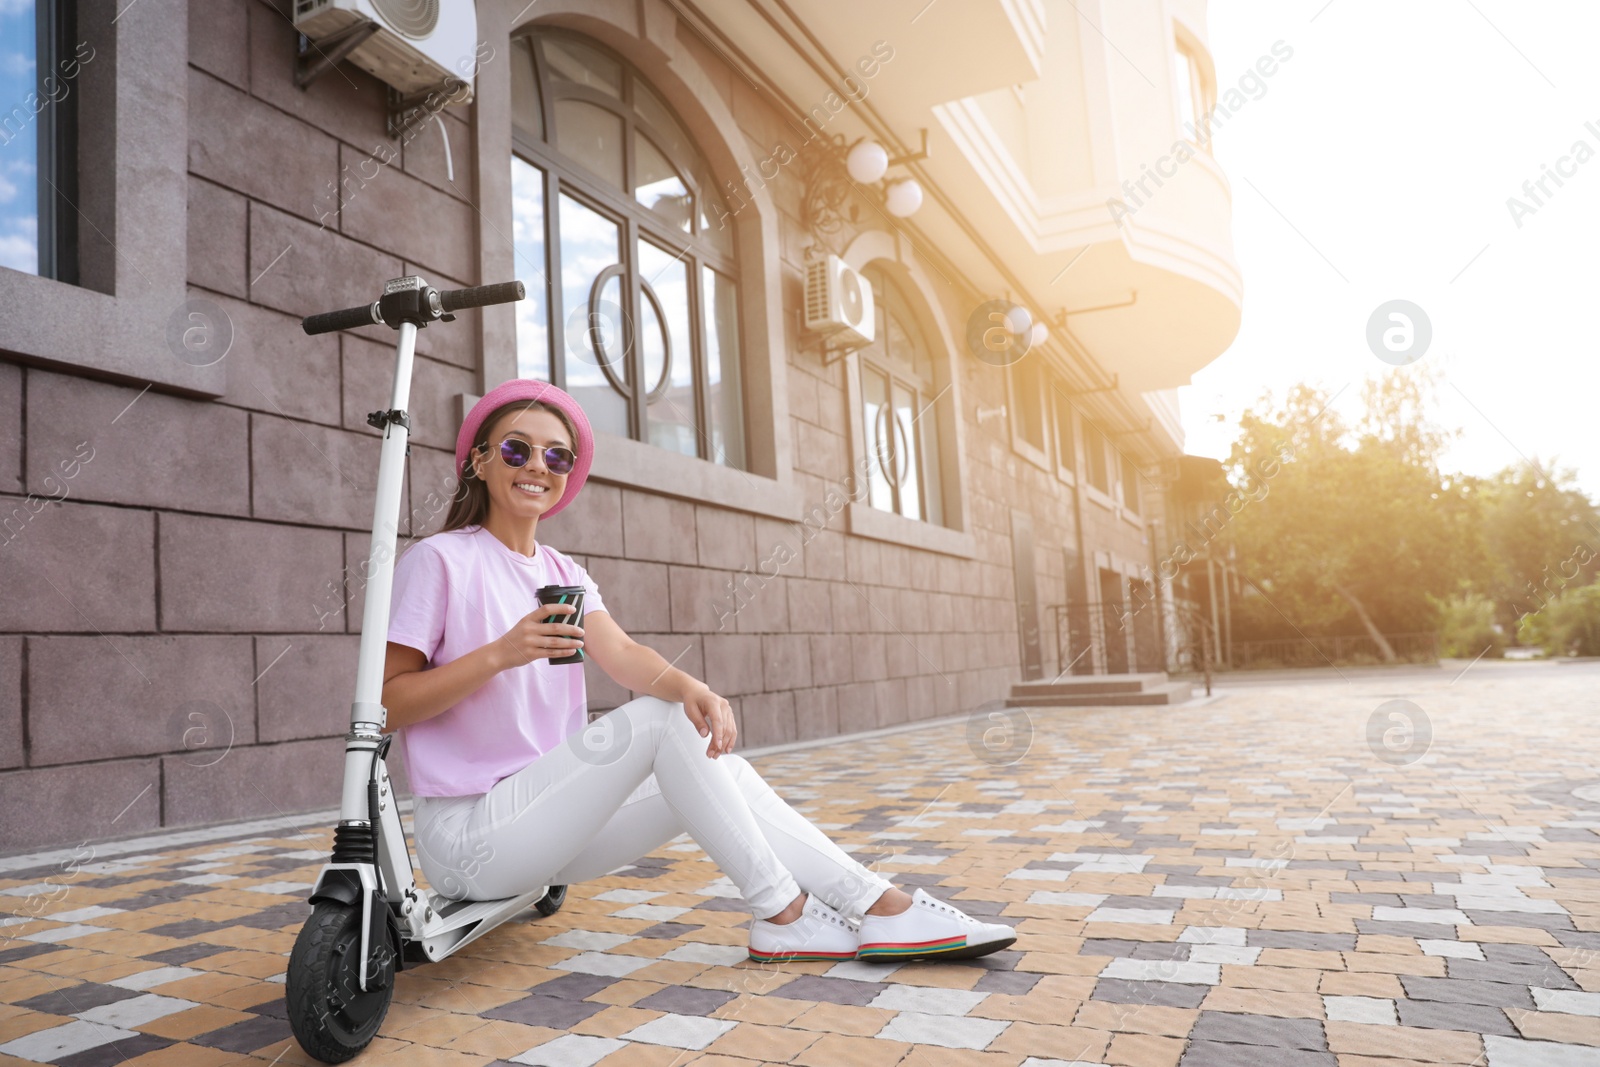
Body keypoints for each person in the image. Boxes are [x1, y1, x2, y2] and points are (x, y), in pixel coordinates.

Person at [380, 379, 1015, 963]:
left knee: (719, 765)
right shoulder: (439, 562)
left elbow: (625, 656)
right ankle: (783, 912)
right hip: (469, 840)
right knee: (661, 725)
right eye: (517, 450)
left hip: (548, 831)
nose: (538, 466)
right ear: (479, 461)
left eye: (557, 456)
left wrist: (692, 687)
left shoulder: (565, 574)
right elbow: (386, 704)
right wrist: (501, 652)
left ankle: (875, 904)